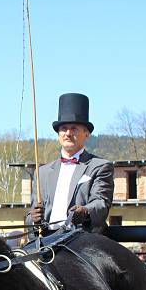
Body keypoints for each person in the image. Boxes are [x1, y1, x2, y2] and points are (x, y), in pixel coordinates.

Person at [29, 93, 114, 234]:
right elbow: (31, 213)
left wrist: (85, 211)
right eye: (63, 129)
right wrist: (33, 218)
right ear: (58, 135)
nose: (68, 133)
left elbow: (101, 204)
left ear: (87, 134)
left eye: (74, 128)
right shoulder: (42, 172)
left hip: (81, 241)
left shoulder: (100, 167)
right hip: (46, 241)